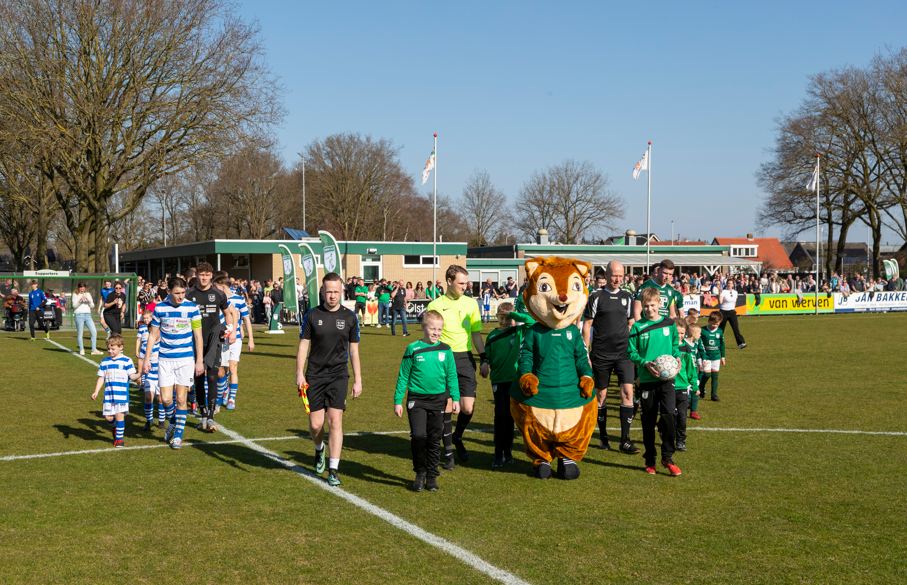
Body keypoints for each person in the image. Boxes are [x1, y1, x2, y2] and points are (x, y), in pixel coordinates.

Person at [296, 273, 363, 487]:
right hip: (314, 375)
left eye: (336, 291)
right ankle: (319, 449)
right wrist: (299, 372)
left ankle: (333, 469)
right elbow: (303, 346)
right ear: (322, 291)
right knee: (316, 425)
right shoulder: (312, 315)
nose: (332, 295)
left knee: (335, 421)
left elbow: (354, 352)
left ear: (341, 291)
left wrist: (358, 380)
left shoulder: (350, 317)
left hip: (338, 375)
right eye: (328, 291)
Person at [427, 265, 488, 469]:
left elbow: (476, 334)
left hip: (465, 358)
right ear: (449, 281)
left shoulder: (471, 304)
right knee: (446, 408)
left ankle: (457, 436)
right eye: (461, 283)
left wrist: (484, 358)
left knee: (467, 408)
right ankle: (448, 453)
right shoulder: (435, 305)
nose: (465, 286)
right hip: (443, 358)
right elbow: (430, 338)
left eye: (465, 282)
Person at [393, 310, 459, 492]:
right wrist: (398, 400)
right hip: (417, 399)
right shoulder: (412, 348)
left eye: (439, 329)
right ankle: (420, 472)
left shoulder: (446, 350)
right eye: (432, 329)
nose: (436, 333)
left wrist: (455, 398)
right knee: (419, 436)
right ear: (423, 327)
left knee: (434, 438)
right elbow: (403, 375)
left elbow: (452, 376)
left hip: (439, 399)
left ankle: (432, 476)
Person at [582, 261, 641, 454]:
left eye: (621, 275)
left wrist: (634, 348)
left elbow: (631, 323)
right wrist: (586, 353)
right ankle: (604, 436)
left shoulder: (627, 296)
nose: (617, 279)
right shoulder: (596, 296)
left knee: (628, 393)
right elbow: (587, 325)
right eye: (614, 275)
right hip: (601, 354)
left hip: (624, 354)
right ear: (606, 275)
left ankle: (625, 440)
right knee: (601, 396)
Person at [143, 277, 204, 450]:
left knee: (181, 398)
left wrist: (199, 360)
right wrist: (146, 359)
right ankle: (172, 422)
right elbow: (153, 335)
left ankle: (177, 436)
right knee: (166, 398)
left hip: (185, 359)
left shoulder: (192, 308)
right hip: (165, 359)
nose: (180, 296)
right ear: (168, 292)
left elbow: (198, 336)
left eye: (183, 293)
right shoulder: (160, 309)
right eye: (177, 293)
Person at [626, 287, 682, 476]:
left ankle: (667, 457)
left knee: (669, 417)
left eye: (652, 305)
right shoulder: (637, 327)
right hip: (647, 381)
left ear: (660, 304)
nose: (649, 309)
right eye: (646, 306)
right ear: (642, 306)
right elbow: (631, 353)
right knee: (648, 422)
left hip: (667, 380)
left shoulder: (669, 323)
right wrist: (644, 363)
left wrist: (677, 359)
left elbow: (675, 346)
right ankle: (650, 460)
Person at [184, 263, 238, 432]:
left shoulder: (219, 294)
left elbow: (228, 313)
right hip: (194, 341)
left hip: (214, 340)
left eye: (207, 275)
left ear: (212, 276)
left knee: (213, 377)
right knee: (198, 379)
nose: (204, 277)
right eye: (201, 274)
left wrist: (230, 329)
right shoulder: (189, 294)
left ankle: (211, 418)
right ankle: (203, 415)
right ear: (197, 275)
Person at [485, 302, 533, 468]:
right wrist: (484, 363)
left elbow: (530, 321)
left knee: (512, 416)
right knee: (501, 416)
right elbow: (488, 357)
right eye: (501, 318)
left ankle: (508, 451)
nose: (504, 321)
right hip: (498, 380)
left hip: (514, 381)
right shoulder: (491, 336)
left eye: (508, 318)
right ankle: (498, 454)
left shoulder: (518, 331)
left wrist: (514, 315)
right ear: (497, 317)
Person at [90, 334, 142, 448]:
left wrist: (141, 374)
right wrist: (96, 391)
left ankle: (119, 440)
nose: (110, 351)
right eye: (108, 348)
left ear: (121, 347)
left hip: (122, 396)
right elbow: (101, 377)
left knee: (119, 415)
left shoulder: (127, 361)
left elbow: (132, 376)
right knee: (108, 418)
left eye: (113, 349)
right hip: (109, 396)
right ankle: (116, 427)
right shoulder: (104, 362)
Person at [213, 274, 255, 410]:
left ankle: (231, 398)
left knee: (232, 368)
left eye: (217, 287)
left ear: (223, 287)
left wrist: (251, 339)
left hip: (235, 338)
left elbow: (246, 319)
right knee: (221, 371)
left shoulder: (239, 300)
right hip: (221, 339)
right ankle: (224, 389)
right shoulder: (216, 300)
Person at [136, 309, 165, 431]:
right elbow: (141, 360)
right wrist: (139, 376)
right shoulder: (146, 345)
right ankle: (149, 421)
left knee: (160, 399)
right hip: (149, 375)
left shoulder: (164, 345)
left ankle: (162, 421)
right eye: (149, 332)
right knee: (148, 397)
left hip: (162, 375)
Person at [672, 320, 698, 452]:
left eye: (682, 333)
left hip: (682, 387)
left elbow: (691, 369)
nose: (680, 336)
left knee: (682, 415)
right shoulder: (667, 346)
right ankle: (663, 429)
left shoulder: (686, 348)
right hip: (668, 386)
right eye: (677, 333)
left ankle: (680, 440)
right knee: (669, 414)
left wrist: (694, 385)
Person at [699, 312, 726, 402]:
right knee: (707, 374)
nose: (715, 326)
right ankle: (701, 387)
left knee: (715, 376)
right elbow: (699, 344)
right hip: (706, 356)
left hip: (716, 357)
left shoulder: (719, 331)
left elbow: (722, 345)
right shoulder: (702, 330)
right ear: (708, 321)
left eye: (717, 324)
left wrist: (723, 357)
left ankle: (713, 395)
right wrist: (700, 357)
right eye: (713, 323)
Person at [70, 283, 101, 355]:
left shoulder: (88, 294)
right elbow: (74, 306)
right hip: (79, 315)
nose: (82, 290)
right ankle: (81, 349)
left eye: (83, 289)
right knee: (80, 333)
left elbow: (92, 305)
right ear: (78, 288)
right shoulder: (75, 295)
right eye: (81, 289)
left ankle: (94, 350)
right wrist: (80, 300)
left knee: (94, 332)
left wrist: (89, 302)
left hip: (88, 315)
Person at [718, 282, 746, 349]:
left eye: (730, 283)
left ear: (733, 284)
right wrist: (720, 295)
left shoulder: (735, 292)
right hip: (723, 312)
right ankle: (717, 343)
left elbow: (735, 302)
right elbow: (720, 301)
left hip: (732, 312)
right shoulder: (724, 292)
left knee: (736, 328)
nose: (729, 284)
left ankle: (741, 343)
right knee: (721, 329)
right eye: (728, 283)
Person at [686, 322, 703, 420]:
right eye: (699, 333)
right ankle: (682, 409)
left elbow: (697, 355)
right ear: (693, 334)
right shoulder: (684, 343)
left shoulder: (695, 344)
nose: (700, 335)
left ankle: (693, 412)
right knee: (686, 392)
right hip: (685, 371)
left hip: (694, 371)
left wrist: (700, 363)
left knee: (696, 390)